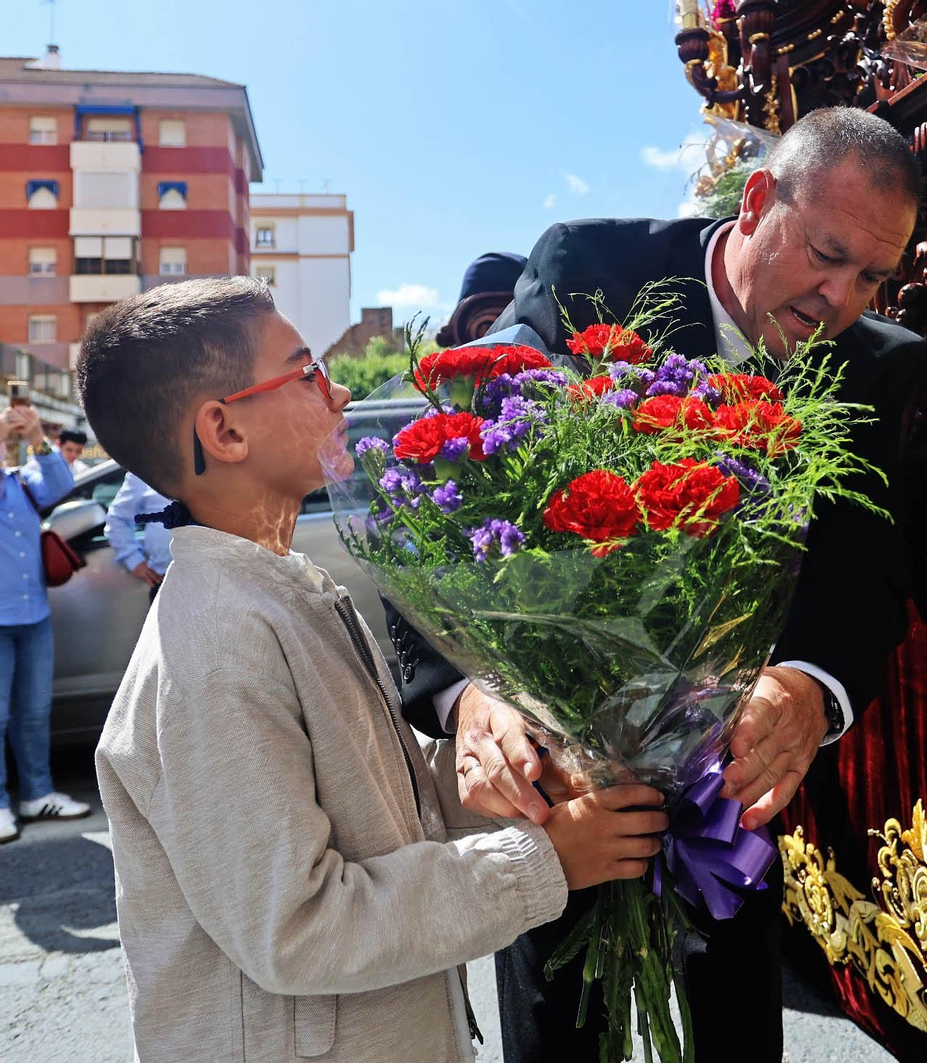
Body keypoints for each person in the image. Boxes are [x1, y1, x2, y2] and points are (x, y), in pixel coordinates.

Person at [388, 106, 927, 1062]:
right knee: (560, 1029)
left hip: (730, 790)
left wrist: (804, 686)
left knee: (733, 1026)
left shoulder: (882, 367)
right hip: (560, 784)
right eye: (826, 254)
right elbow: (458, 494)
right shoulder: (586, 271)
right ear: (759, 200)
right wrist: (474, 695)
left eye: (874, 277)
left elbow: (868, 561)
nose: (842, 297)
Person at [77, 276, 670, 1062]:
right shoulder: (215, 645)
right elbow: (300, 926)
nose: (340, 386)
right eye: (306, 372)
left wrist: (508, 779)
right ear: (223, 430)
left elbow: (380, 815)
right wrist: (544, 861)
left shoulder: (290, 592)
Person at [0, 404, 88, 844]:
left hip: (32, 615)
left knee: (34, 712)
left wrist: (37, 437)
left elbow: (59, 483)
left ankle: (37, 794)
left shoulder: (20, 482)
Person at [104, 471, 172, 597]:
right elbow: (117, 519)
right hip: (166, 582)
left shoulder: (216, 461)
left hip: (216, 578)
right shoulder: (147, 465)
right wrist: (134, 560)